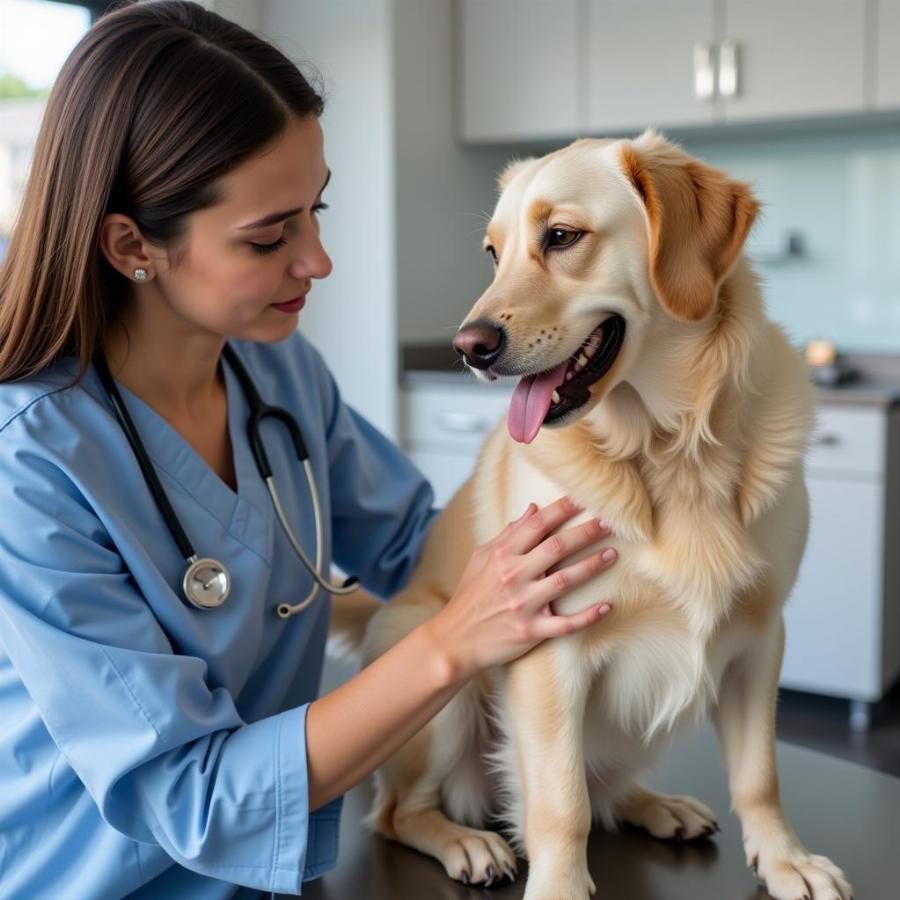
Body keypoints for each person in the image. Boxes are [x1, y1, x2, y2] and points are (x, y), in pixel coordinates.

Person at [0, 2, 617, 897]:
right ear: (132, 245)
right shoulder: (32, 460)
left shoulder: (280, 379)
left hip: (282, 871)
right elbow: (191, 798)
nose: (318, 260)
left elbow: (421, 552)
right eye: (269, 235)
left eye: (313, 211)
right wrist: (450, 641)